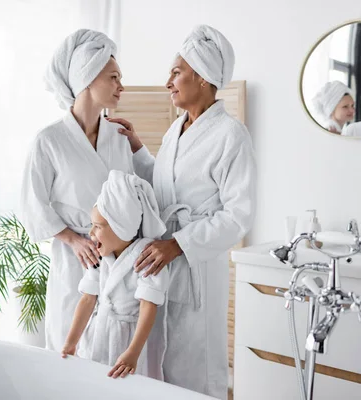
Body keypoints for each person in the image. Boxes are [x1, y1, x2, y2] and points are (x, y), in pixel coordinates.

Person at [108, 25, 256, 399]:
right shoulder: (177, 129)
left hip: (196, 269)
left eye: (176, 72)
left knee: (197, 369)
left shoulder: (230, 135)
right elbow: (166, 186)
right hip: (164, 264)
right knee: (163, 368)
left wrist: (178, 244)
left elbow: (239, 216)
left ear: (203, 77)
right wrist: (139, 149)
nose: (168, 82)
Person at [19, 29, 134, 351]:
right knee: (71, 341)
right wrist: (73, 239)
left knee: (111, 346)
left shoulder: (118, 136)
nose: (121, 86)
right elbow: (33, 203)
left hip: (117, 256)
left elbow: (135, 195)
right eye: (113, 77)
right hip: (75, 258)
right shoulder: (50, 139)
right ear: (87, 78)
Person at [61, 170, 169, 380]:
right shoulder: (100, 256)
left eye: (98, 226)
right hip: (97, 332)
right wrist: (71, 341)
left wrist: (133, 352)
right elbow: (87, 298)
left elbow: (149, 306)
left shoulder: (147, 256)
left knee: (126, 388)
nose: (91, 233)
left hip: (128, 339)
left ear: (122, 228)